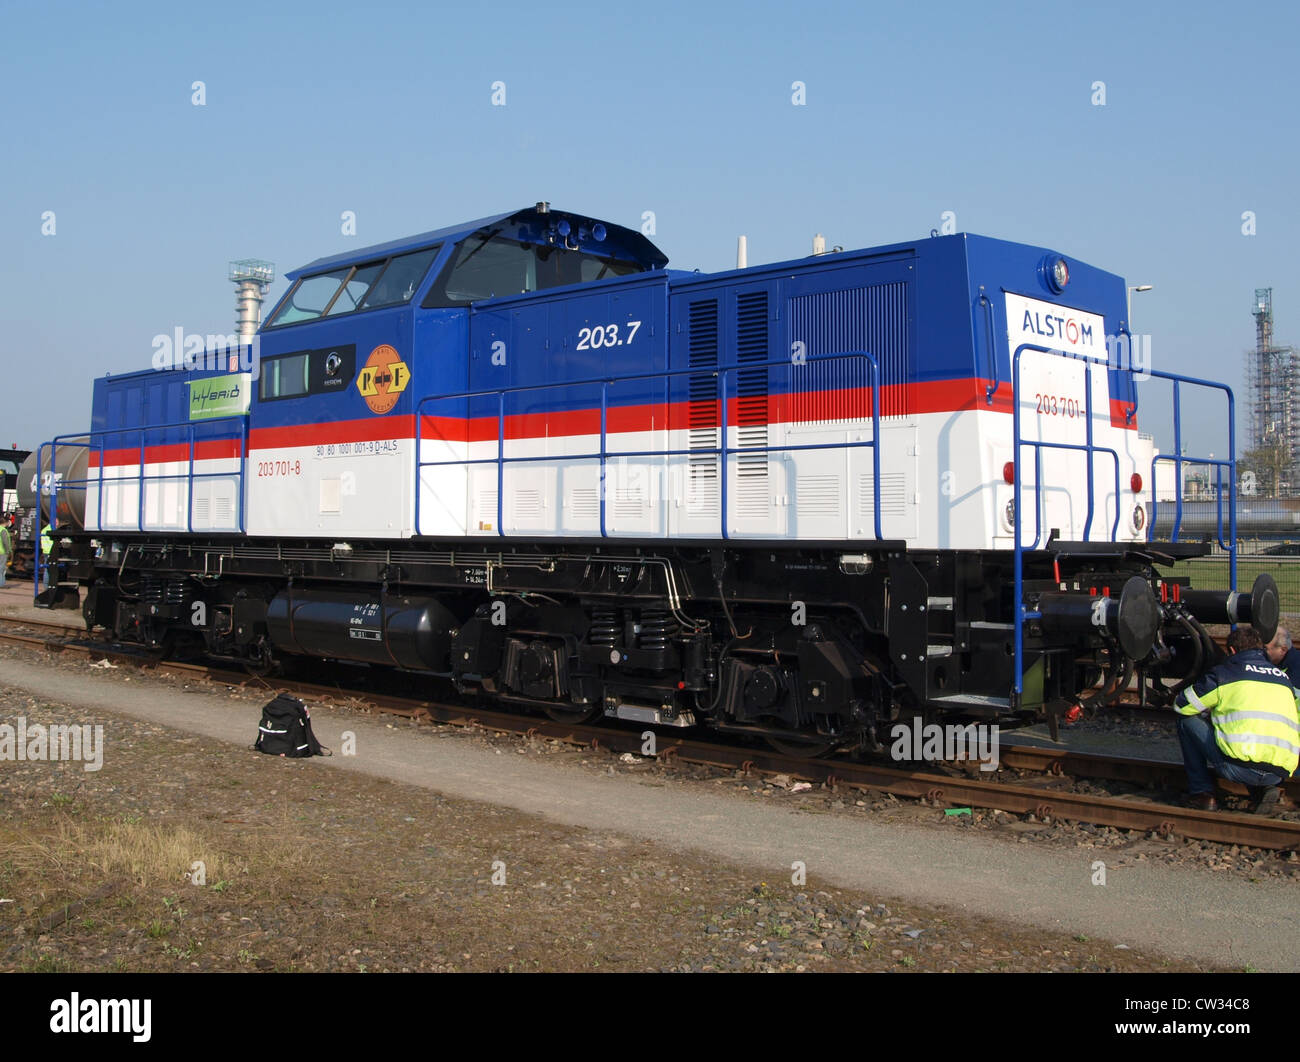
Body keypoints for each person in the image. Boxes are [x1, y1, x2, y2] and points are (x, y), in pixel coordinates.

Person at [1175, 627, 1299, 813]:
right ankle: (1262, 790)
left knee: (1186, 720)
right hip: (1278, 773)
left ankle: (1201, 794)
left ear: (1232, 650)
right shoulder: (1283, 678)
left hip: (1238, 768)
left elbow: (1182, 705)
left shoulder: (1225, 674)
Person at [0, 516, 10, 587]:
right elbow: (5, 542)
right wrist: (8, 550)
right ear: (5, 522)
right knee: (2, 568)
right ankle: (1, 584)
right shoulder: (3, 530)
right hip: (2, 551)